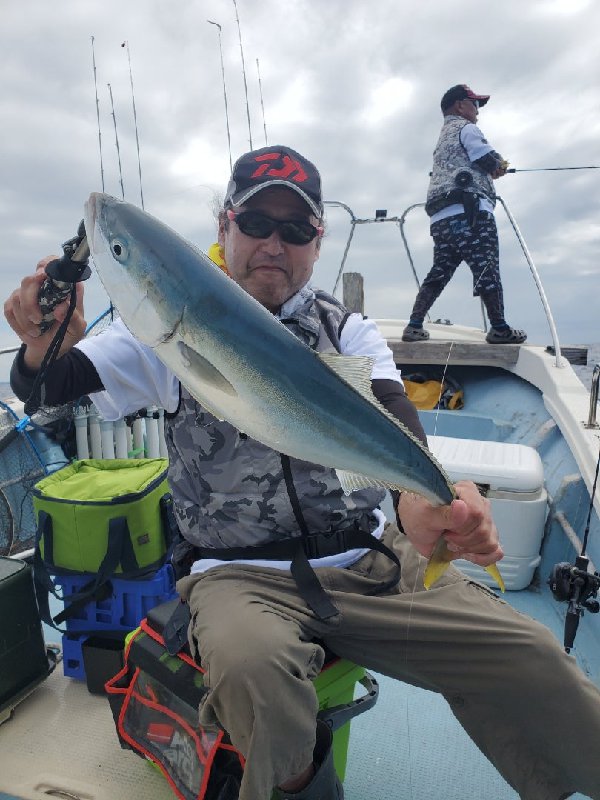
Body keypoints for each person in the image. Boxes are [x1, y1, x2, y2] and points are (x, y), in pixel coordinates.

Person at [5, 145, 600, 800]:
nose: (273, 243)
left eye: (295, 230)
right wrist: (41, 346)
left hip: (374, 562)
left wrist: (428, 504)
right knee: (252, 672)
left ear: (317, 243)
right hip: (239, 577)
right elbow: (53, 386)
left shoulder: (348, 333)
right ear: (225, 227)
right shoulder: (160, 333)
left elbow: (397, 427)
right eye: (257, 224)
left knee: (533, 657)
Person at [402, 84, 527, 344]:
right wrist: (500, 166)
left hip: (440, 219)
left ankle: (414, 325)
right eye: (475, 104)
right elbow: (487, 159)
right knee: (487, 266)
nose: (478, 112)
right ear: (460, 105)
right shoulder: (467, 128)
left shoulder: (442, 139)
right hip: (470, 213)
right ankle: (500, 328)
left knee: (439, 271)